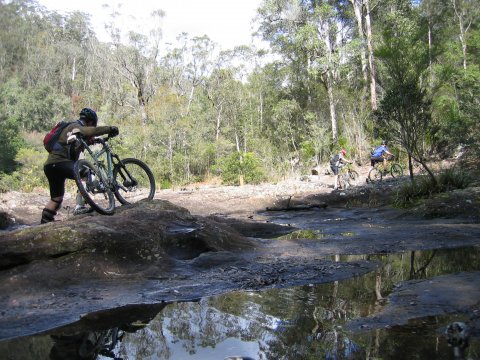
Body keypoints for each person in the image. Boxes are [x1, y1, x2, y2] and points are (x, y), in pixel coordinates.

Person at [41, 108, 119, 224]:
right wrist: (109, 129)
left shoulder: (74, 132)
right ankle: (79, 207)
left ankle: (45, 222)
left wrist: (94, 141)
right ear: (90, 122)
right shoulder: (75, 126)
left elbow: (85, 139)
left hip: (50, 166)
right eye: (92, 125)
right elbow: (88, 132)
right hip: (61, 163)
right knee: (86, 173)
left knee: (56, 199)